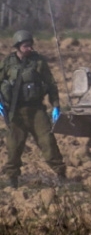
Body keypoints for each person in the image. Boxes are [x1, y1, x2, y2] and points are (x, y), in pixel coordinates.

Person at [0, 30, 68, 187]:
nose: (29, 48)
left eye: (30, 45)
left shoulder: (38, 62)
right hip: (15, 112)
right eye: (25, 46)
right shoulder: (8, 63)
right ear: (18, 47)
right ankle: (12, 179)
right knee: (14, 146)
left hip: (36, 110)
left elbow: (51, 85)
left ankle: (61, 174)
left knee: (48, 142)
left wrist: (56, 106)